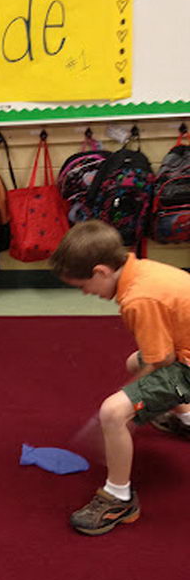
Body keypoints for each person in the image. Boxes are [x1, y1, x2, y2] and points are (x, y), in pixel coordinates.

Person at [50, 220, 190, 536]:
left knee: (113, 413)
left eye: (82, 286)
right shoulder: (139, 267)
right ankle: (187, 419)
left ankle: (118, 497)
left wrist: (130, 403)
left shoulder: (138, 299)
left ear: (100, 271)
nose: (86, 293)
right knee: (133, 363)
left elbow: (162, 361)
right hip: (183, 348)